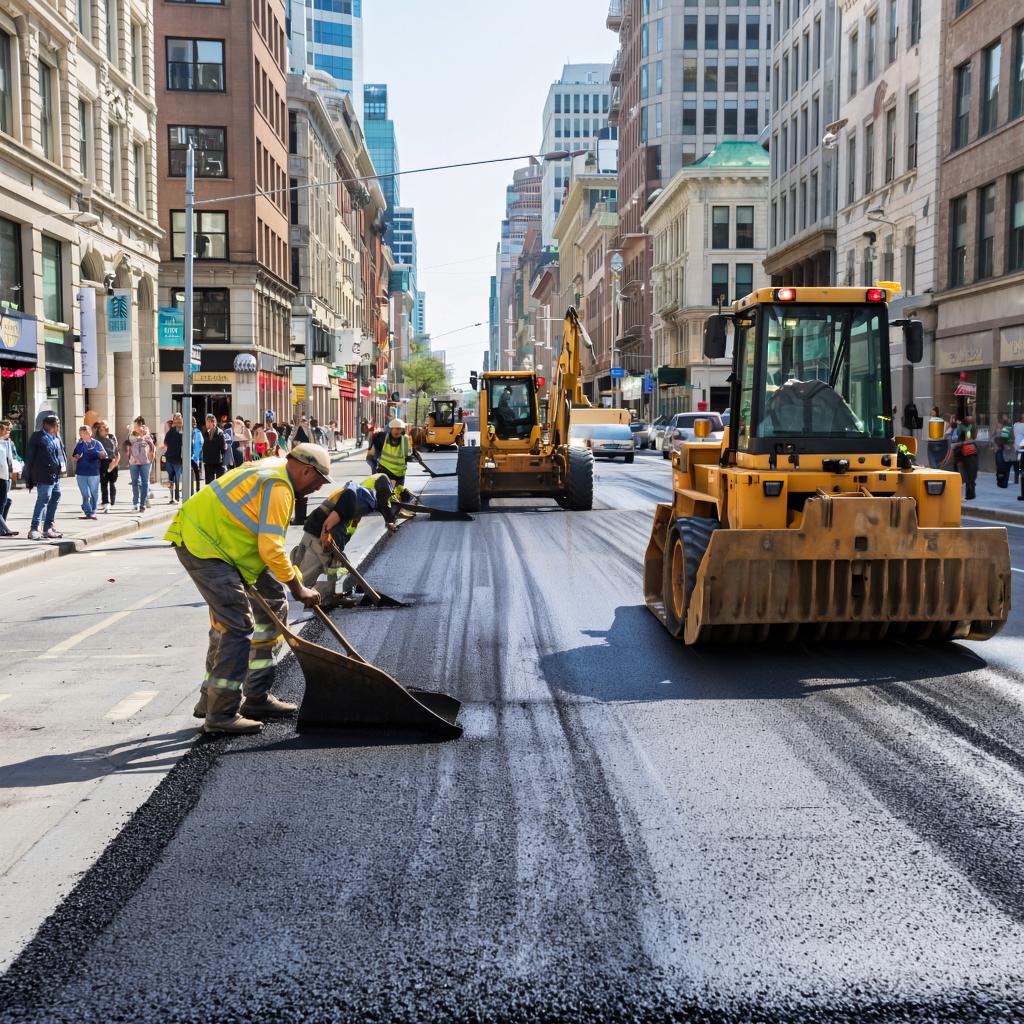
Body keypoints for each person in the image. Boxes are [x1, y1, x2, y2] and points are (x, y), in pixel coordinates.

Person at [165, 443, 329, 734]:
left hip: (231, 548)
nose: (318, 489)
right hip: (206, 545)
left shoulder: (272, 470)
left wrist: (295, 585)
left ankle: (256, 696)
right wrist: (299, 588)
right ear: (306, 470)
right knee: (237, 625)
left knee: (274, 604)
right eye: (318, 481)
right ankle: (220, 712)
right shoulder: (279, 485)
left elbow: (262, 543)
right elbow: (271, 547)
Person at [291, 474, 398, 607]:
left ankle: (325, 596)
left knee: (334, 566)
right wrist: (326, 535)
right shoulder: (356, 498)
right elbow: (333, 518)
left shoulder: (360, 492)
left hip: (317, 530)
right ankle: (312, 597)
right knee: (306, 578)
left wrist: (389, 520)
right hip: (319, 533)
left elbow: (382, 506)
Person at [24, 414, 66, 540]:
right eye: (55, 425)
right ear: (46, 425)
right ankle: (34, 528)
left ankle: (48, 527)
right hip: (43, 475)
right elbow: (30, 458)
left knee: (56, 497)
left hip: (55, 475)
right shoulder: (38, 437)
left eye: (58, 424)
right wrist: (29, 477)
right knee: (43, 500)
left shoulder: (56, 437)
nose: (57, 427)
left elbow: (60, 453)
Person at [367, 419, 414, 498]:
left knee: (398, 493)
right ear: (391, 429)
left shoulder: (405, 439)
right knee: (385, 492)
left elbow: (408, 454)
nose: (397, 431)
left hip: (399, 471)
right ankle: (386, 504)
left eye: (399, 429)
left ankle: (396, 506)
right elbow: (373, 452)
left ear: (402, 430)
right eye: (396, 429)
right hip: (385, 469)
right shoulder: (383, 438)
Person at [72, 424, 106, 519]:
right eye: (82, 433)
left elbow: (104, 455)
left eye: (86, 432)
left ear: (90, 433)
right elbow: (74, 457)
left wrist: (101, 454)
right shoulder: (79, 444)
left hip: (94, 473)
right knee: (86, 494)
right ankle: (87, 509)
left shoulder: (97, 444)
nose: (84, 435)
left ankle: (92, 511)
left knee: (94, 493)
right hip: (81, 473)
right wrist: (77, 457)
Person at [125, 417, 156, 512]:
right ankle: (135, 503)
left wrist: (142, 435)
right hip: (134, 462)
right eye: (135, 425)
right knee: (135, 482)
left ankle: (142, 504)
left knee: (145, 483)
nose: (136, 427)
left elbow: (150, 444)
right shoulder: (131, 435)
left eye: (137, 425)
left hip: (145, 462)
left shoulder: (146, 433)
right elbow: (129, 443)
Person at [950, 414, 978, 501]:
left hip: (965, 453)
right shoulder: (970, 428)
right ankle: (968, 494)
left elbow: (957, 439)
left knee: (965, 475)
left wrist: (960, 444)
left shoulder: (966, 428)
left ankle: (967, 494)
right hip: (965, 454)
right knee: (968, 475)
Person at [94, 420, 120, 511]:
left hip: (113, 462)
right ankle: (105, 502)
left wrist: (115, 462)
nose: (105, 429)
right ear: (99, 429)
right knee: (104, 483)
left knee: (112, 482)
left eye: (106, 427)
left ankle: (112, 502)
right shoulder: (97, 439)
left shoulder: (112, 437)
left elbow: (117, 451)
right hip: (103, 463)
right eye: (103, 427)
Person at [0, 419, 17, 536]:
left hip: (6, 476)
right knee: (2, 503)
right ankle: (4, 529)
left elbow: (11, 459)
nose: (9, 431)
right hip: (1, 476)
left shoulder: (8, 443)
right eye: (7, 429)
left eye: (10, 429)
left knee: (5, 502)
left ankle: (3, 528)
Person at [162, 414, 184, 503]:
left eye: (179, 419)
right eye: (175, 419)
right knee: (171, 479)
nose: (177, 421)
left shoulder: (184, 431)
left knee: (177, 479)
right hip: (170, 459)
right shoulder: (170, 431)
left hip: (179, 459)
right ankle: (171, 497)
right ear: (173, 420)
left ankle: (177, 497)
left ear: (181, 419)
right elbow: (165, 442)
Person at [202, 413, 228, 484]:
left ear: (212, 422)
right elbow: (205, 446)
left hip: (218, 461)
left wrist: (223, 460)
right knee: (209, 483)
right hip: (208, 461)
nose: (206, 424)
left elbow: (223, 448)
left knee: (219, 483)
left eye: (207, 422)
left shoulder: (220, 433)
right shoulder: (206, 433)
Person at [994, 413, 1014, 489]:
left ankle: (1004, 483)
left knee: (1006, 467)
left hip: (1007, 449)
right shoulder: (1000, 426)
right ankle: (1001, 481)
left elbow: (1011, 437)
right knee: (1000, 466)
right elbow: (995, 437)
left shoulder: (1008, 427)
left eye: (1006, 417)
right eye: (1003, 417)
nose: (1005, 419)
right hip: (1000, 449)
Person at [191, 416, 203, 492]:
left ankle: (194, 489)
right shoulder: (198, 432)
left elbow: (199, 444)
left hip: (193, 456)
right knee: (196, 473)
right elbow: (200, 444)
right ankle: (197, 489)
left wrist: (195, 455)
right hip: (195, 456)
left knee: (194, 472)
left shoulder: (196, 432)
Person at [1013, 412, 1024, 486]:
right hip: (1021, 447)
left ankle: (1016, 479)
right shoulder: (1017, 425)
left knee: (1017, 464)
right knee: (1020, 464)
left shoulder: (1015, 425)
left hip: (1017, 446)